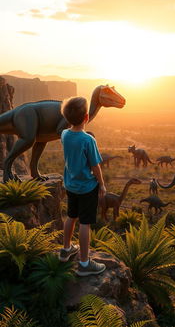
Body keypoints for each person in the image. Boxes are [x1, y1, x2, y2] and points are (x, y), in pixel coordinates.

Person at [58, 96, 106, 277]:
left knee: (71, 216)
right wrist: (102, 185)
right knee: (85, 223)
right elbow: (95, 166)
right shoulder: (88, 140)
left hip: (70, 185)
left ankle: (66, 249)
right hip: (87, 187)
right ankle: (85, 264)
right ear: (86, 117)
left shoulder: (64, 134)